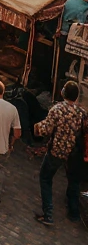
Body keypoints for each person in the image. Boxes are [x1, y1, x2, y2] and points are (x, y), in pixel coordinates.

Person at [33, 80, 88, 225]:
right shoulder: (81, 113)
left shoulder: (57, 109)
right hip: (73, 154)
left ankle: (48, 214)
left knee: (45, 178)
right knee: (73, 181)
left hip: (56, 151)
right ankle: (74, 213)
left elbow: (46, 130)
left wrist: (36, 127)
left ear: (63, 93)